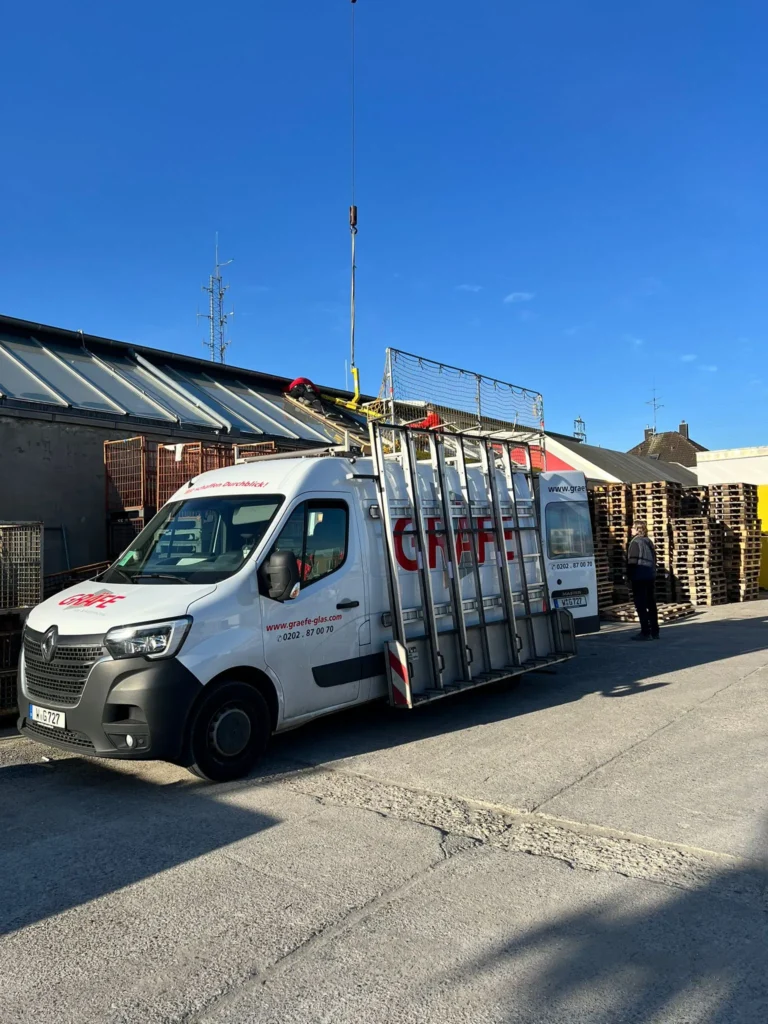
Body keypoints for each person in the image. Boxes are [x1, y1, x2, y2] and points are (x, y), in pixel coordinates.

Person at [627, 522, 659, 640]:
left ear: (638, 530)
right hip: (650, 576)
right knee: (651, 603)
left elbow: (632, 562)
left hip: (639, 577)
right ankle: (655, 631)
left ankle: (645, 632)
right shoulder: (648, 541)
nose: (631, 529)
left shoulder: (635, 542)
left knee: (640, 605)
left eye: (633, 528)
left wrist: (629, 577)